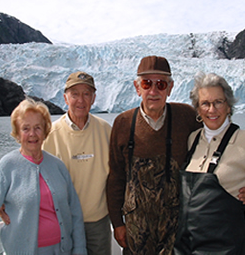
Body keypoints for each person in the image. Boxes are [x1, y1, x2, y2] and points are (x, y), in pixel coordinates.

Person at [106, 55, 201, 255]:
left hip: (177, 230)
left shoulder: (188, 117)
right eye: (147, 83)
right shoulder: (123, 123)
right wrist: (117, 223)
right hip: (136, 232)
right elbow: (116, 177)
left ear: (171, 87)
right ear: (137, 87)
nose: (154, 91)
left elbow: (218, 139)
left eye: (161, 84)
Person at [0, 98, 87, 255]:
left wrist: (79, 250)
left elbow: (75, 213)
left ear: (45, 131)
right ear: (17, 134)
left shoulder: (57, 166)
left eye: (38, 127)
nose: (32, 134)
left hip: (61, 250)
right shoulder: (7, 166)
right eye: (25, 128)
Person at [173, 72, 245, 254]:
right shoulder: (192, 140)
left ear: (229, 106)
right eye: (205, 103)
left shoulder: (242, 141)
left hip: (226, 249)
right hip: (185, 247)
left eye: (218, 102)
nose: (211, 110)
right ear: (198, 109)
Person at [42, 71, 112, 255]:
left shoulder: (106, 131)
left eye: (86, 94)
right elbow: (37, 177)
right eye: (75, 94)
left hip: (99, 222)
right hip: (64, 223)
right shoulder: (51, 135)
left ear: (94, 98)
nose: (80, 100)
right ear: (65, 98)